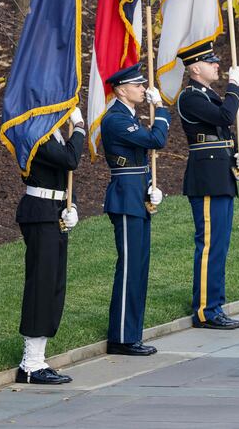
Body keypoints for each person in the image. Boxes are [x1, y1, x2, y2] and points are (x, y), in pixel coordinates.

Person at [177, 40, 239, 330]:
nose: (217, 65)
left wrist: (236, 157)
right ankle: (206, 310)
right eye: (210, 62)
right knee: (209, 246)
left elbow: (222, 129)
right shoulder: (190, 97)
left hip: (221, 176)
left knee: (219, 245)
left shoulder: (207, 95)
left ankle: (215, 303)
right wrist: (234, 87)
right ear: (195, 68)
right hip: (207, 179)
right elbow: (225, 116)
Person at [101, 63, 170, 355]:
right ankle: (121, 338)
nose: (144, 88)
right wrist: (162, 109)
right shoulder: (116, 119)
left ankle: (132, 334)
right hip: (125, 200)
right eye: (138, 85)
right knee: (130, 268)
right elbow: (156, 140)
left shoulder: (128, 116)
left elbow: (140, 158)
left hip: (136, 197)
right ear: (121, 89)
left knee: (139, 268)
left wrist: (151, 187)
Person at [14, 107, 85, 385]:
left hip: (54, 209)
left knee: (54, 285)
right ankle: (30, 364)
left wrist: (72, 205)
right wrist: (78, 126)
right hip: (40, 211)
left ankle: (39, 358)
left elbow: (64, 175)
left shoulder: (51, 132)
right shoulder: (33, 132)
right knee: (41, 285)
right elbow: (70, 160)